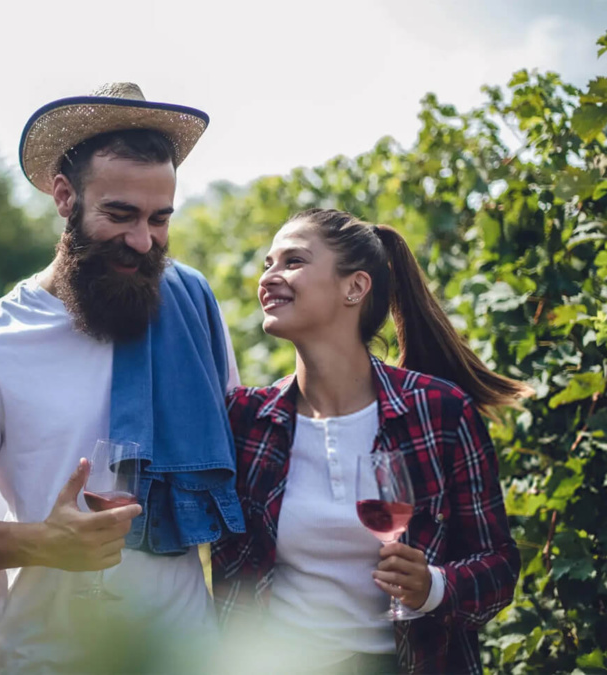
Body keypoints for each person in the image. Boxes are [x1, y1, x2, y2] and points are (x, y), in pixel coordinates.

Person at [0, 83, 244, 674]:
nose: (143, 241)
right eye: (120, 215)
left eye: (159, 219)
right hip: (44, 655)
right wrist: (38, 543)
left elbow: (239, 448)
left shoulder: (193, 308)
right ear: (65, 197)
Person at [211, 209, 529, 674]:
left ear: (354, 288)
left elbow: (499, 566)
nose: (269, 278)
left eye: (293, 261)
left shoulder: (438, 411)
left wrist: (434, 587)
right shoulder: (246, 418)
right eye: (267, 264)